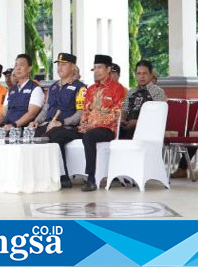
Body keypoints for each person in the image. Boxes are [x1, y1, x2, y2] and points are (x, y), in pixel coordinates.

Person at [28, 52, 86, 188]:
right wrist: (37, 121)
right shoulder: (53, 87)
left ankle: (63, 177)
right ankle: (39, 176)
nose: (60, 67)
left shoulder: (80, 88)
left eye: (64, 64)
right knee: (33, 134)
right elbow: (46, 108)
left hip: (69, 128)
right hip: (49, 124)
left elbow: (80, 112)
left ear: (72, 67)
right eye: (58, 64)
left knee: (55, 135)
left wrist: (62, 122)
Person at [79, 54, 126, 191]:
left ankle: (91, 178)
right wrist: (83, 124)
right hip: (89, 127)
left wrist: (94, 125)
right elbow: (85, 110)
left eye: (99, 67)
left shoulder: (118, 88)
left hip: (107, 129)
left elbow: (116, 113)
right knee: (66, 133)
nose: (97, 71)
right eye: (94, 68)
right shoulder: (91, 89)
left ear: (108, 69)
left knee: (89, 136)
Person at [0, 54, 44, 130]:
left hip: (23, 130)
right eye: (16, 65)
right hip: (6, 127)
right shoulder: (11, 90)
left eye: (22, 65)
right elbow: (3, 114)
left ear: (29, 68)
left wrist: (14, 126)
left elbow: (31, 114)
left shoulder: (35, 89)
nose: (18, 68)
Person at [119, 60, 166, 140]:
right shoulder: (131, 92)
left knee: (132, 132)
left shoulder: (157, 91)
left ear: (151, 75)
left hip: (147, 127)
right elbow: (124, 110)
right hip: (128, 125)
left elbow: (157, 117)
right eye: (139, 73)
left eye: (145, 73)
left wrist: (136, 122)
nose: (142, 76)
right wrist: (122, 120)